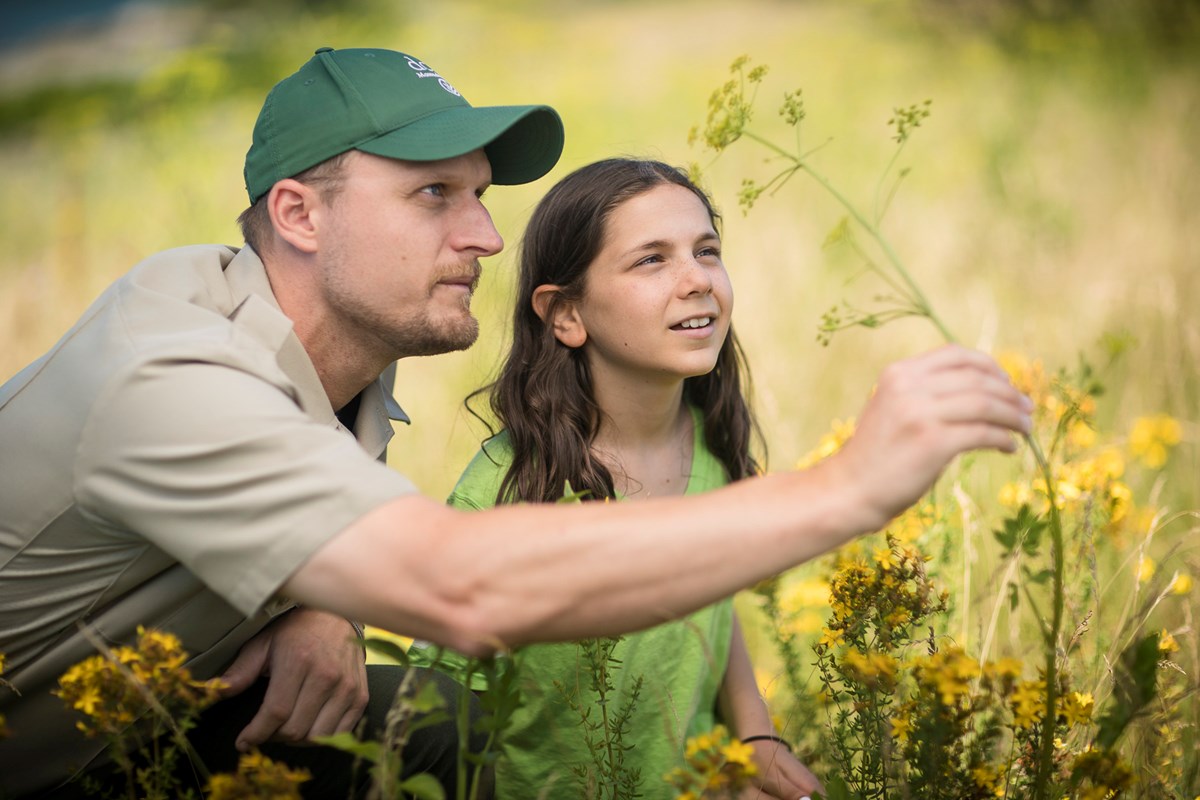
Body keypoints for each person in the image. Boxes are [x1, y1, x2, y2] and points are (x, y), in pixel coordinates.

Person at [0, 46, 1033, 799]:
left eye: (483, 196)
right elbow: (459, 584)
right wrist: (846, 485)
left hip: (128, 730)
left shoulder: (338, 373)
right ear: (298, 215)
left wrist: (310, 600)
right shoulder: (172, 375)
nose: (489, 236)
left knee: (424, 727)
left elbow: (308, 510)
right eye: (434, 196)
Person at [411, 158, 824, 799]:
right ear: (566, 315)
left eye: (706, 250)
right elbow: (437, 712)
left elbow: (710, 601)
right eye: (651, 260)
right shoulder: (512, 489)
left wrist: (755, 736)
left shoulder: (711, 441)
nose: (697, 280)